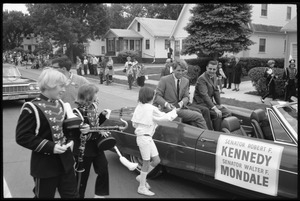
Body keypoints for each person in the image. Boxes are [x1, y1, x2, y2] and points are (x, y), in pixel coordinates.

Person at [15, 68, 80, 198]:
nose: (63, 89)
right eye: (60, 86)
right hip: (45, 165)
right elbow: (22, 137)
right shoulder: (31, 107)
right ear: (49, 85)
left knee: (72, 196)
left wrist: (73, 137)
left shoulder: (60, 103)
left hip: (66, 162)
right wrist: (52, 147)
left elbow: (64, 129)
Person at [132, 87, 178, 196]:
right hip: (145, 138)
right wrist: (175, 111)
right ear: (150, 97)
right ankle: (142, 187)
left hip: (145, 138)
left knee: (156, 160)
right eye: (154, 96)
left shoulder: (140, 106)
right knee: (146, 162)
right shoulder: (151, 108)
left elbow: (135, 124)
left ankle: (141, 177)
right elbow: (165, 118)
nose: (154, 98)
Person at [70, 84, 111, 198]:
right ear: (89, 96)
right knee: (82, 177)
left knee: (103, 169)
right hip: (83, 149)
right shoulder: (76, 112)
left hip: (96, 146)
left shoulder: (93, 107)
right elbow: (74, 133)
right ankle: (78, 196)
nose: (97, 96)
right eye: (95, 94)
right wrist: (84, 130)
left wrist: (102, 116)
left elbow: (95, 124)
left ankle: (99, 195)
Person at [154, 59, 208, 129]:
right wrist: (167, 104)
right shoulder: (164, 80)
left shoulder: (186, 81)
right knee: (199, 116)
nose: (181, 73)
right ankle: (207, 136)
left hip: (179, 108)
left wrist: (181, 103)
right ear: (173, 69)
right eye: (178, 70)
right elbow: (157, 96)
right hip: (168, 110)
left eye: (183, 71)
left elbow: (186, 97)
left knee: (199, 113)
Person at [192, 60, 232, 131]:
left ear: (216, 69)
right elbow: (204, 95)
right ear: (206, 68)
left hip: (209, 104)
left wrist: (219, 104)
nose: (212, 71)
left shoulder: (214, 76)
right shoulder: (202, 79)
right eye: (210, 69)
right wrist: (215, 108)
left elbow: (216, 91)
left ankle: (222, 129)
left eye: (214, 69)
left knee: (228, 112)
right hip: (200, 104)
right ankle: (214, 132)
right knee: (217, 114)